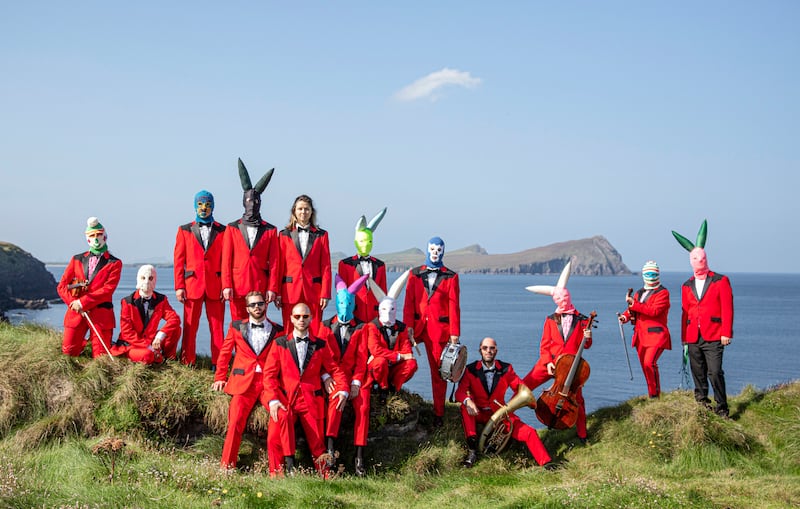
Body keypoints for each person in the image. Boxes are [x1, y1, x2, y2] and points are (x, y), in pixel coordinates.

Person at [264, 303, 348, 477]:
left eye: (305, 316)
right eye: (297, 316)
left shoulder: (321, 345)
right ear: (291, 318)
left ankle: (326, 478)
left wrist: (343, 389)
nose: (301, 320)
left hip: (311, 400)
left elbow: (334, 369)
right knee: (273, 438)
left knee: (317, 443)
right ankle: (277, 477)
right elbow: (269, 375)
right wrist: (273, 399)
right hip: (286, 400)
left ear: (311, 318)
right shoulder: (279, 344)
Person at [211, 291, 282, 471]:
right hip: (244, 383)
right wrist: (220, 377)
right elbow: (225, 353)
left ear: (266, 304)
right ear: (247, 308)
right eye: (252, 305)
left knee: (279, 415)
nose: (256, 307)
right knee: (235, 421)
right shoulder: (236, 327)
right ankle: (226, 466)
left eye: (259, 304)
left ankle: (276, 470)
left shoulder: (279, 330)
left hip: (268, 383)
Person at [522, 262, 592, 443]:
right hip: (550, 363)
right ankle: (505, 418)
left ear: (568, 297)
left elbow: (588, 344)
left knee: (579, 401)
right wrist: (548, 362)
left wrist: (588, 336)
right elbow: (544, 345)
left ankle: (582, 435)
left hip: (570, 367)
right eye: (557, 299)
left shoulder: (583, 320)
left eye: (563, 298)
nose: (560, 301)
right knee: (523, 386)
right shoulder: (550, 320)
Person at [456, 337, 551, 468]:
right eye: (485, 348)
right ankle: (472, 452)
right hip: (478, 412)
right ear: (480, 350)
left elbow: (520, 387)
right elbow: (460, 392)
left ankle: (546, 462)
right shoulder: (470, 370)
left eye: (492, 348)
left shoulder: (507, 369)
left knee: (529, 432)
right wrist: (468, 401)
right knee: (464, 408)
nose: (488, 351)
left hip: (499, 413)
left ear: (496, 351)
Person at [672, 220, 734, 417]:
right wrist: (684, 338)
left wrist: (726, 332)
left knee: (715, 372)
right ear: (691, 260)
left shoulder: (720, 281)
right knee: (697, 372)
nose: (698, 260)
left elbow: (727, 307)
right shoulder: (686, 285)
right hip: (693, 336)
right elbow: (685, 312)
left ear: (705, 258)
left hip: (715, 335)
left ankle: (722, 407)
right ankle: (702, 403)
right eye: (695, 258)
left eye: (701, 257)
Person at [403, 237, 460, 426]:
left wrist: (454, 333)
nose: (435, 253)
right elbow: (408, 303)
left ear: (443, 251)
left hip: (439, 331)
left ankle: (438, 413)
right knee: (397, 353)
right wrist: (408, 326)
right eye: (432, 249)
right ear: (427, 250)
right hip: (417, 328)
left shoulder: (451, 277)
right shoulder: (414, 274)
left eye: (439, 250)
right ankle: (389, 394)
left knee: (439, 371)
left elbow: (454, 307)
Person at [317, 274, 370, 476]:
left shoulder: (362, 327)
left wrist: (356, 382)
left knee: (363, 407)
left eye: (348, 302)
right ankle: (330, 450)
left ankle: (359, 456)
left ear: (354, 303)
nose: (345, 306)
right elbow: (319, 356)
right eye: (341, 302)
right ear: (336, 303)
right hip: (332, 377)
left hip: (355, 377)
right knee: (334, 402)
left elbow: (362, 357)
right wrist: (325, 377)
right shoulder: (324, 326)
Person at [173, 190, 227, 368]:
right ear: (195, 205)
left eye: (208, 204)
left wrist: (226, 285)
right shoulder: (184, 230)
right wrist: (179, 286)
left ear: (213, 206)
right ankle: (188, 361)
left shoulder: (224, 231)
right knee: (190, 326)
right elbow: (178, 261)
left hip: (216, 285)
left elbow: (227, 261)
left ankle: (218, 364)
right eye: (200, 204)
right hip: (191, 286)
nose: (204, 208)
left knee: (217, 328)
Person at [221, 159, 280, 322]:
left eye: (255, 201)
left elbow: (275, 262)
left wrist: (272, 288)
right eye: (249, 201)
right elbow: (226, 260)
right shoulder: (232, 228)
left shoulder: (270, 230)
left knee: (259, 325)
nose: (252, 205)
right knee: (237, 325)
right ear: (243, 201)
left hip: (260, 286)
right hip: (237, 286)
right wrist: (226, 285)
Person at [56, 217, 122, 358]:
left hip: (101, 315)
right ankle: (83, 345)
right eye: (92, 235)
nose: (96, 238)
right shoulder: (76, 259)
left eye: (98, 234)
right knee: (68, 352)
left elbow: (108, 289)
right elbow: (62, 286)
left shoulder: (114, 263)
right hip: (76, 313)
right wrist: (73, 303)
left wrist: (83, 302)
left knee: (101, 357)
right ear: (87, 239)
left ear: (105, 235)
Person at [277, 195, 332, 330]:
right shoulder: (283, 235)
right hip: (290, 290)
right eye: (300, 209)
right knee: (289, 330)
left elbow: (326, 266)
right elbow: (279, 266)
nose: (303, 212)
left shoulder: (322, 235)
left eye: (306, 209)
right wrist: (277, 292)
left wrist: (325, 293)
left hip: (314, 290)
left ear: (311, 212)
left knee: (315, 330)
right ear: (294, 211)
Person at [618, 260, 672, 398]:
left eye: (653, 274)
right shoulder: (639, 292)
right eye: (648, 273)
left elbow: (654, 311)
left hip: (656, 335)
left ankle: (656, 395)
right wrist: (625, 317)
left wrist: (634, 305)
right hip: (640, 336)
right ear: (643, 274)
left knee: (649, 363)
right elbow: (633, 310)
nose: (651, 276)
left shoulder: (663, 293)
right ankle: (652, 394)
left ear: (658, 274)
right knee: (645, 366)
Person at [366, 270, 418, 404]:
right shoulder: (372, 326)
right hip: (378, 367)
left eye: (391, 309)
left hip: (393, 367)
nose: (388, 313)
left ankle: (394, 388)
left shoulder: (402, 328)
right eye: (384, 309)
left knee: (412, 364)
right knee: (380, 361)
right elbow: (375, 350)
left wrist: (400, 356)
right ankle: (382, 387)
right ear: (379, 310)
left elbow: (408, 352)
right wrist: (398, 356)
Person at [112, 265, 181, 364]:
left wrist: (160, 335)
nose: (147, 282)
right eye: (143, 278)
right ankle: (155, 355)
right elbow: (127, 333)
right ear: (138, 279)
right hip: (132, 344)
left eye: (151, 278)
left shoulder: (161, 300)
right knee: (147, 355)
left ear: (155, 280)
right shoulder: (127, 302)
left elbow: (174, 318)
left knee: (176, 329)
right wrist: (148, 346)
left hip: (151, 339)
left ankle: (168, 358)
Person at [337, 208, 388, 323]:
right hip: (354, 317)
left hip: (375, 319)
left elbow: (383, 293)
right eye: (362, 241)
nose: (365, 244)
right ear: (356, 241)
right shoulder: (345, 264)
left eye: (369, 241)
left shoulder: (380, 265)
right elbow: (343, 295)